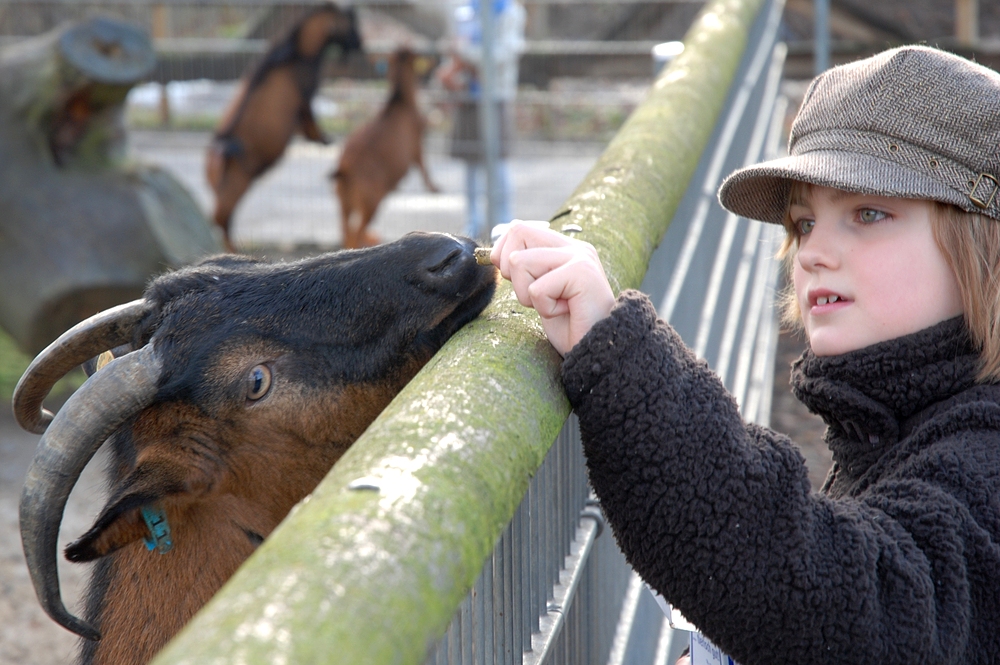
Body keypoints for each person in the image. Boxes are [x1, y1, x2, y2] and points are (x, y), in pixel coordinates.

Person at [488, 45, 1000, 663]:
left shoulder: (984, 459)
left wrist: (618, 354)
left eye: (868, 213)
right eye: (805, 223)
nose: (813, 252)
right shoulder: (892, 425)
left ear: (983, 248)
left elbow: (851, 606)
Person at [437, 0, 525, 242]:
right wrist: (452, 73)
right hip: (469, 96)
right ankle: (473, 222)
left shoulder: (510, 11)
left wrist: (466, 54)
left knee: (498, 162)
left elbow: (503, 53)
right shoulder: (464, 9)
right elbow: (452, 46)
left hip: (495, 97)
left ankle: (504, 222)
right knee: (471, 162)